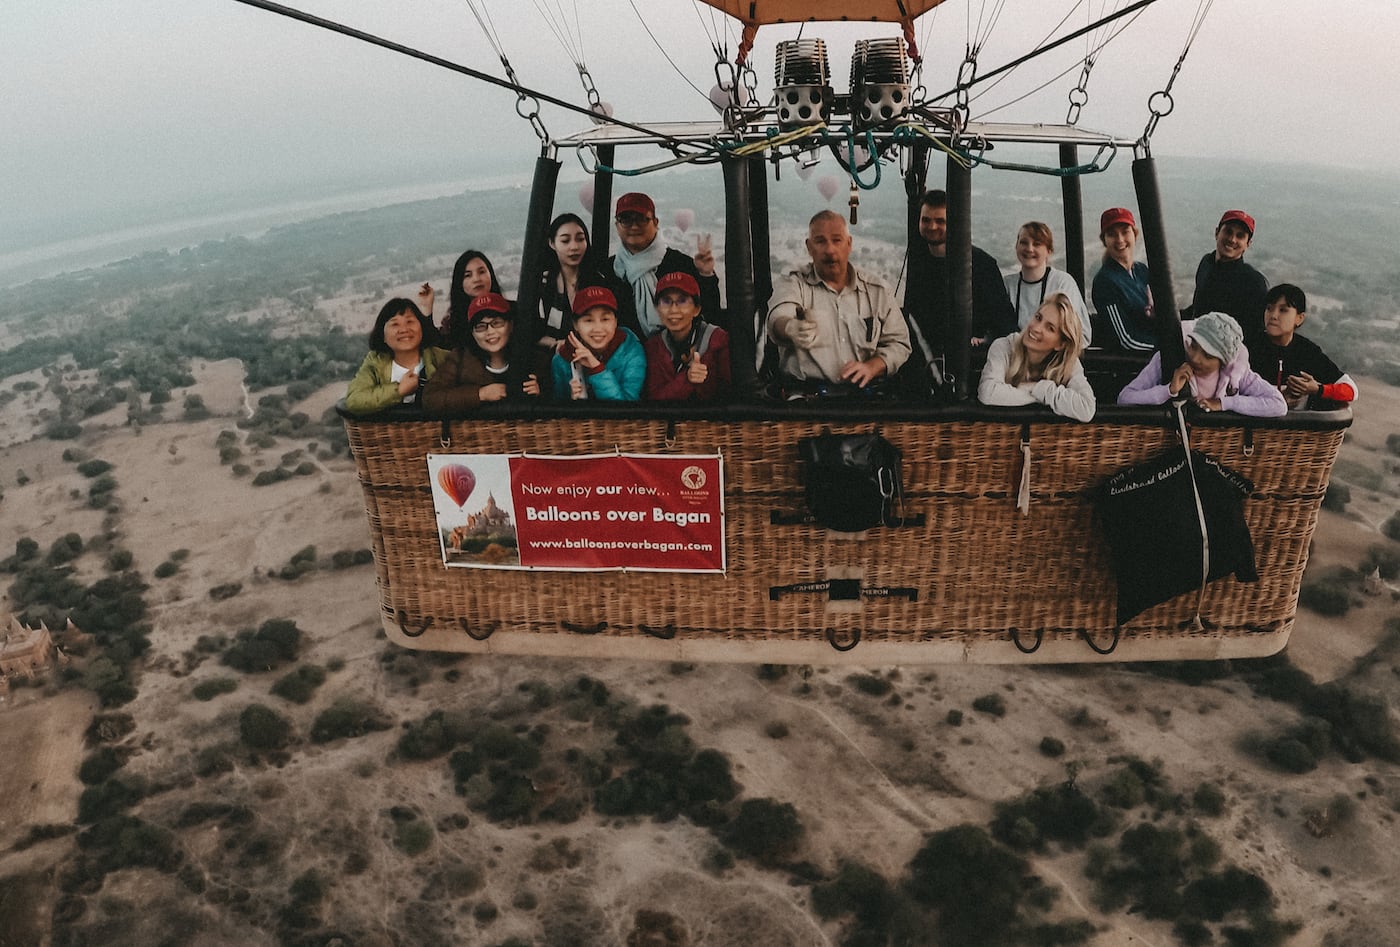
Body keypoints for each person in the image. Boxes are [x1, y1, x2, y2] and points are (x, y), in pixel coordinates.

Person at [767, 210, 911, 391]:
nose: (829, 250)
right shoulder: (794, 283)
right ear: (809, 247)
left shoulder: (877, 291)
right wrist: (790, 328)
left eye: (837, 240)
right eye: (820, 241)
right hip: (805, 402)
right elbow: (779, 315)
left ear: (849, 244)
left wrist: (872, 367)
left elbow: (899, 343)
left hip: (865, 399)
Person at [903, 189, 1017, 358]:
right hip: (924, 356)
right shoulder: (919, 260)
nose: (932, 226)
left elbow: (1004, 324)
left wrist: (986, 341)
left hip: (971, 358)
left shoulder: (982, 265)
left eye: (940, 221)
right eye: (926, 220)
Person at [1118, 311, 1286, 417]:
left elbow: (1278, 405)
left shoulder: (1236, 374)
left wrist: (1224, 403)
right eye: (1193, 346)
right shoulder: (1169, 359)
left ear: (1223, 362)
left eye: (1207, 355)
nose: (1196, 358)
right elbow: (1125, 398)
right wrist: (1169, 390)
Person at [610, 192, 722, 337]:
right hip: (624, 356)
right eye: (626, 220)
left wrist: (705, 275)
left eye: (641, 219)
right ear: (617, 226)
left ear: (656, 223)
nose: (634, 226)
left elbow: (710, 315)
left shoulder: (680, 264)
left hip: (674, 355)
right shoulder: (609, 270)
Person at [977, 292, 1095, 422]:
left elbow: (1086, 408)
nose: (1036, 328)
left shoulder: (1068, 362)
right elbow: (988, 393)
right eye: (1038, 318)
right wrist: (1043, 398)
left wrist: (1037, 387)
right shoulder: (1004, 346)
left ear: (1061, 344)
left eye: (1050, 328)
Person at [536, 213, 641, 355]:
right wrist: (558, 345)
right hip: (553, 360)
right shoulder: (541, 285)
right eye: (565, 241)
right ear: (552, 243)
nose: (574, 247)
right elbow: (531, 332)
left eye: (580, 239)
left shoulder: (601, 283)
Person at [423, 293, 544, 412]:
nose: (490, 331)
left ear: (510, 325)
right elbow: (430, 398)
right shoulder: (460, 359)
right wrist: (480, 394)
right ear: (472, 333)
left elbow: (557, 396)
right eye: (481, 326)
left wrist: (540, 393)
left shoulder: (533, 359)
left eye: (496, 323)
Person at [1246, 283, 1357, 411]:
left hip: (1297, 429)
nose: (1273, 315)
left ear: (1299, 318)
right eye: (1269, 308)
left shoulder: (1308, 352)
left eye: (1283, 310)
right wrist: (1275, 402)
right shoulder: (1248, 348)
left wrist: (1317, 389)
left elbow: (1351, 390)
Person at [344, 298, 448, 415]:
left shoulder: (442, 359)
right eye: (395, 324)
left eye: (409, 322)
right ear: (383, 336)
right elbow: (354, 400)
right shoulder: (375, 364)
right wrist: (399, 391)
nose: (403, 330)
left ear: (422, 328)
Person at [642, 272, 730, 402]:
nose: (673, 310)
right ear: (657, 309)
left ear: (696, 309)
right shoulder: (653, 347)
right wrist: (686, 378)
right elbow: (654, 400)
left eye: (682, 301)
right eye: (666, 301)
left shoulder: (718, 341)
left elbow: (731, 394)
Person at [551, 285, 645, 401]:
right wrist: (572, 402)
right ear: (576, 325)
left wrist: (596, 369)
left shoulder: (632, 353)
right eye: (588, 320)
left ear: (615, 322)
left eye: (605, 319)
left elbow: (626, 409)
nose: (598, 329)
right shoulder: (562, 359)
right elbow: (558, 407)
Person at [1004, 222, 1092, 344]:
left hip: (1053, 359)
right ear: (1016, 246)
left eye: (1037, 244)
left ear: (1049, 251)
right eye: (1024, 242)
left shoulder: (1063, 284)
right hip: (1014, 358)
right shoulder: (1007, 285)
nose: (1029, 249)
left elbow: (1081, 336)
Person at [1185, 210, 1268, 331]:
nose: (1232, 239)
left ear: (1248, 244)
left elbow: (1255, 330)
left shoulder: (1253, 282)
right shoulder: (1207, 263)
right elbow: (1198, 308)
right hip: (1195, 339)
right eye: (1228, 231)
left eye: (1240, 236)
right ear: (1217, 232)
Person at [1090, 207, 1156, 352]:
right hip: (1133, 366)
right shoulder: (1105, 282)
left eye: (1125, 232)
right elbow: (1126, 340)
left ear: (1135, 234)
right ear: (1105, 241)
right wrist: (1167, 350)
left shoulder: (1142, 271)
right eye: (1112, 234)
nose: (1119, 240)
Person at [423, 250, 503, 340]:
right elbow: (436, 344)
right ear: (459, 282)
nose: (476, 279)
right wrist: (427, 307)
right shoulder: (453, 324)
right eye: (468, 275)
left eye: (481, 272)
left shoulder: (511, 311)